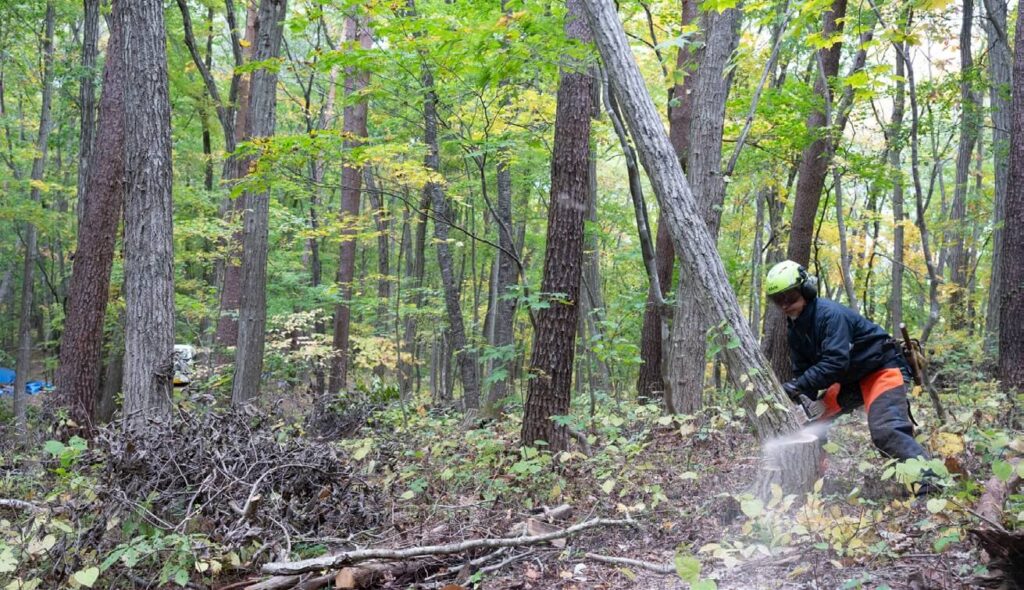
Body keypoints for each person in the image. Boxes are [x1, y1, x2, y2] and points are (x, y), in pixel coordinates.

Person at [765, 260, 935, 491]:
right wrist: (802, 399)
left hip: (881, 368)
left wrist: (795, 386)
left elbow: (835, 362)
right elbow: (803, 371)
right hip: (850, 379)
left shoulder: (830, 315)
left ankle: (929, 485)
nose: (785, 305)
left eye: (790, 297)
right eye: (779, 300)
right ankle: (813, 482)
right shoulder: (795, 330)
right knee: (812, 422)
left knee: (886, 430)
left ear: (806, 290)